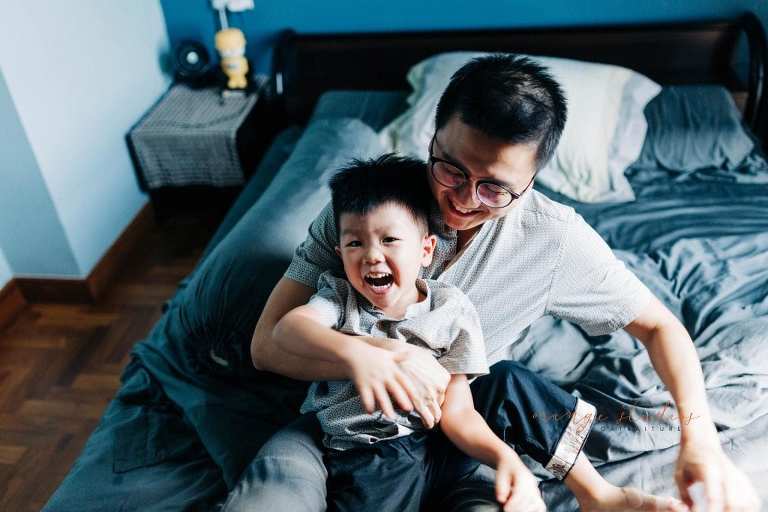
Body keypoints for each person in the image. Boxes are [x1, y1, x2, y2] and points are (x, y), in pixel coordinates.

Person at [243, 55, 761, 511]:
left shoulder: (553, 239)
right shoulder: (370, 211)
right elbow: (267, 346)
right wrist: (381, 354)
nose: (465, 199)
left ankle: (598, 497)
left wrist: (700, 442)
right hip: (342, 429)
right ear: (433, 139)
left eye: (494, 188)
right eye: (450, 169)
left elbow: (659, 327)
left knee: (505, 399)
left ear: (531, 181)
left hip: (460, 425)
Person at [223, 155, 688, 512]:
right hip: (371, 455)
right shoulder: (337, 298)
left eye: (389, 241)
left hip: (445, 441)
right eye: (354, 243)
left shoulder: (450, 308)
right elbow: (287, 330)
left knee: (507, 379)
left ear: (427, 249)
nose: (371, 256)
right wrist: (364, 354)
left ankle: (596, 493)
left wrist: (504, 458)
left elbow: (459, 410)